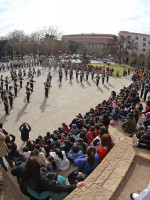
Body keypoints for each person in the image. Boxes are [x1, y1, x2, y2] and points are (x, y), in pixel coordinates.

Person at [11, 156, 85, 200]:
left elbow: (13, 171)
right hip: (40, 194)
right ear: (37, 168)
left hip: (27, 191)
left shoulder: (23, 170)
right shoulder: (41, 180)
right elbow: (57, 188)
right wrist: (74, 186)